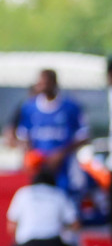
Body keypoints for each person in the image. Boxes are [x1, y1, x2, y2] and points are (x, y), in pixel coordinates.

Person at [15, 68, 90, 212]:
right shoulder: (29, 108)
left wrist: (61, 153)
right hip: (40, 169)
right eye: (40, 83)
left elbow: (84, 136)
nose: (42, 86)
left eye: (45, 83)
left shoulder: (70, 107)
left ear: (54, 83)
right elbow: (23, 136)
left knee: (66, 206)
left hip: (64, 168)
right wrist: (31, 155)